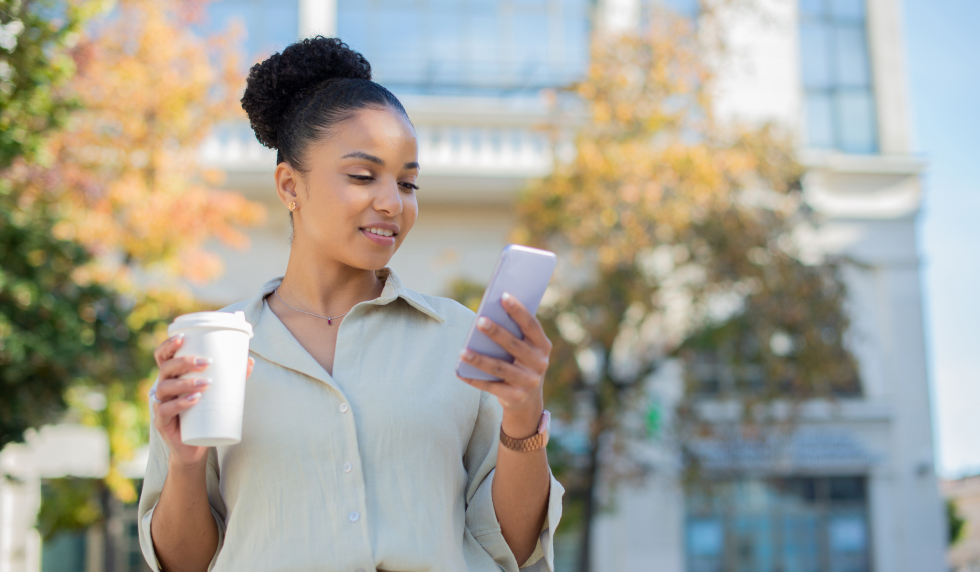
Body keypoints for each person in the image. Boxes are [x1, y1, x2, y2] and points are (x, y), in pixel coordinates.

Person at [137, 37, 563, 572]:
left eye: (407, 182)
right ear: (290, 184)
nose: (392, 202)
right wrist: (184, 463)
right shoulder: (209, 351)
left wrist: (523, 419)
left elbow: (512, 547)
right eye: (363, 176)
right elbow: (185, 564)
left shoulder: (458, 338)